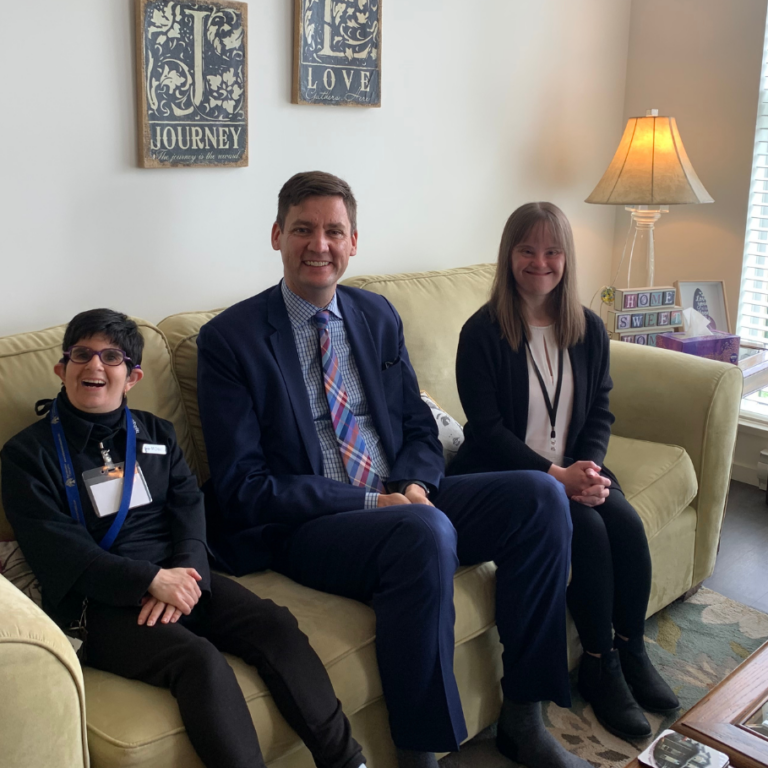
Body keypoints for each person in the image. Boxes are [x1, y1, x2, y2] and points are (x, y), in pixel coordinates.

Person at [196, 171, 592, 768]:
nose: (319, 245)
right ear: (277, 235)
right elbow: (243, 487)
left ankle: (524, 716)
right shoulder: (231, 340)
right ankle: (421, 752)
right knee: (423, 531)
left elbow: (415, 426)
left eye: (334, 231)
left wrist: (413, 486)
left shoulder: (376, 315)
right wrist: (375, 505)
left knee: (540, 497)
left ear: (354, 242)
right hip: (312, 527)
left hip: (400, 499)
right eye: (303, 229)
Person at [1, 309, 365, 768]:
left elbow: (189, 506)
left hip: (181, 573)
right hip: (100, 600)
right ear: (62, 368)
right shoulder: (24, 455)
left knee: (275, 624)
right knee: (200, 661)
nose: (95, 366)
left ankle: (347, 761)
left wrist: (185, 572)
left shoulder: (157, 433)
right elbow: (56, 548)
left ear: (132, 377)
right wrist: (149, 581)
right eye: (82, 355)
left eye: (111, 357)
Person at [448, 202, 680, 740]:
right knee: (592, 535)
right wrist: (557, 478)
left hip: (577, 467)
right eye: (526, 250)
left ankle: (632, 650)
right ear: (508, 256)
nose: (540, 262)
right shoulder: (481, 333)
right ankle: (599, 665)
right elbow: (487, 431)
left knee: (626, 525)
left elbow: (600, 407)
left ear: (566, 258)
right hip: (511, 476)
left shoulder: (588, 330)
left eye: (552, 251)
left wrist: (589, 468)